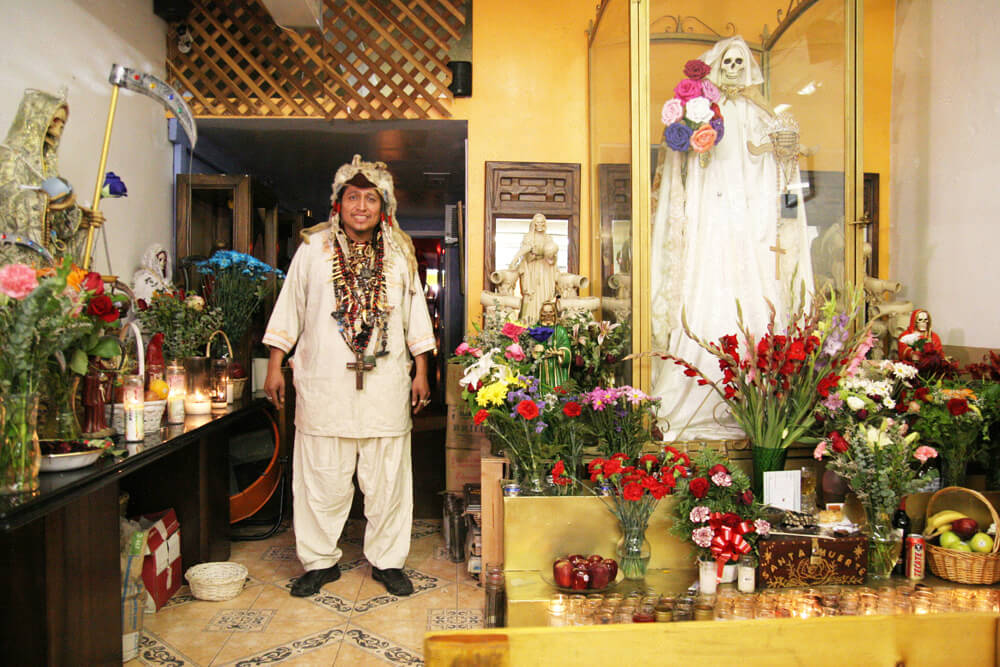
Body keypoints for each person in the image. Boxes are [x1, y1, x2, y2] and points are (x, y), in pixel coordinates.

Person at [262, 155, 435, 598]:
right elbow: (290, 309)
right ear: (338, 204)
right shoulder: (311, 251)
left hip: (385, 385)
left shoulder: (400, 253)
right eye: (352, 197)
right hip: (325, 386)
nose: (361, 206)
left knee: (388, 479)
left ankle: (387, 560)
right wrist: (274, 366)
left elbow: (416, 317)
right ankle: (319, 562)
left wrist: (422, 371)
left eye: (370, 198)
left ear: (384, 207)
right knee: (321, 477)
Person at [649, 36, 813, 440]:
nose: (735, 68)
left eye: (741, 61)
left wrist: (784, 152)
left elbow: (773, 164)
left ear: (750, 66)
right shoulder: (705, 112)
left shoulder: (761, 114)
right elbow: (685, 171)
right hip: (711, 214)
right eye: (729, 61)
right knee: (707, 280)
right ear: (717, 65)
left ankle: (757, 408)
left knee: (756, 286)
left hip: (751, 217)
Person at [0, 89, 98, 265]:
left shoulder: (47, 168)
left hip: (45, 257)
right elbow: (7, 199)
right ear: (36, 118)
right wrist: (44, 200)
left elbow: (59, 227)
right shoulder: (7, 156)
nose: (59, 128)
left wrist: (78, 217)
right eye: (55, 120)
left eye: (63, 123)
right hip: (13, 257)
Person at [509, 213, 559, 323]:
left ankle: (545, 320)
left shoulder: (548, 238)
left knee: (544, 294)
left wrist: (551, 257)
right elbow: (524, 251)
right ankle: (530, 322)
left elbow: (552, 256)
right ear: (534, 224)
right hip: (531, 269)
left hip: (545, 270)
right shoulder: (529, 237)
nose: (540, 225)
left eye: (542, 222)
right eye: (538, 223)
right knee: (531, 297)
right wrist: (515, 260)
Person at [532, 299, 571, 391]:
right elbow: (528, 349)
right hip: (540, 368)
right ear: (541, 314)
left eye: (550, 312)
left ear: (554, 313)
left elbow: (567, 350)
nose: (548, 315)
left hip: (556, 368)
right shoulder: (535, 329)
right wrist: (535, 350)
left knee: (557, 392)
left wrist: (560, 353)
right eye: (545, 312)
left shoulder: (560, 330)